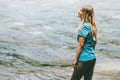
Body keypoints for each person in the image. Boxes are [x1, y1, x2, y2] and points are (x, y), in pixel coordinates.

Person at [71, 5, 97, 80]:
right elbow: (95, 43)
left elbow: (80, 45)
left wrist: (75, 60)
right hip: (92, 58)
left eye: (81, 10)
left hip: (84, 59)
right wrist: (91, 54)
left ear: (85, 14)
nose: (78, 12)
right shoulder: (92, 26)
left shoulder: (84, 27)